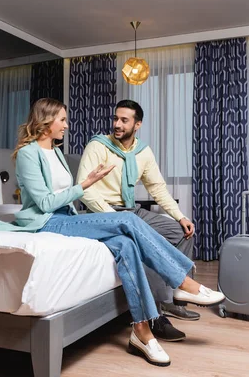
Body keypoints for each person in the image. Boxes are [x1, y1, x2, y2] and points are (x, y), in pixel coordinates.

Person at [0, 98, 225, 367]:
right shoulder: (28, 154)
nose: (67, 125)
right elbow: (44, 203)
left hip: (67, 217)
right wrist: (86, 184)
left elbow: (69, 198)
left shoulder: (55, 151)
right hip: (45, 221)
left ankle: (141, 331)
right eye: (63, 120)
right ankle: (183, 282)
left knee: (126, 244)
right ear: (46, 121)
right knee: (126, 220)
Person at [76, 99, 198, 342]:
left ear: (137, 124)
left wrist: (180, 216)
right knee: (141, 243)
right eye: (115, 119)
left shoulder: (143, 152)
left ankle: (170, 297)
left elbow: (158, 189)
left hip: (131, 210)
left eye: (124, 120)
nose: (117, 124)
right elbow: (85, 190)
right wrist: (117, 219)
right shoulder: (98, 146)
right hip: (103, 212)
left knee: (179, 231)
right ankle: (156, 315)